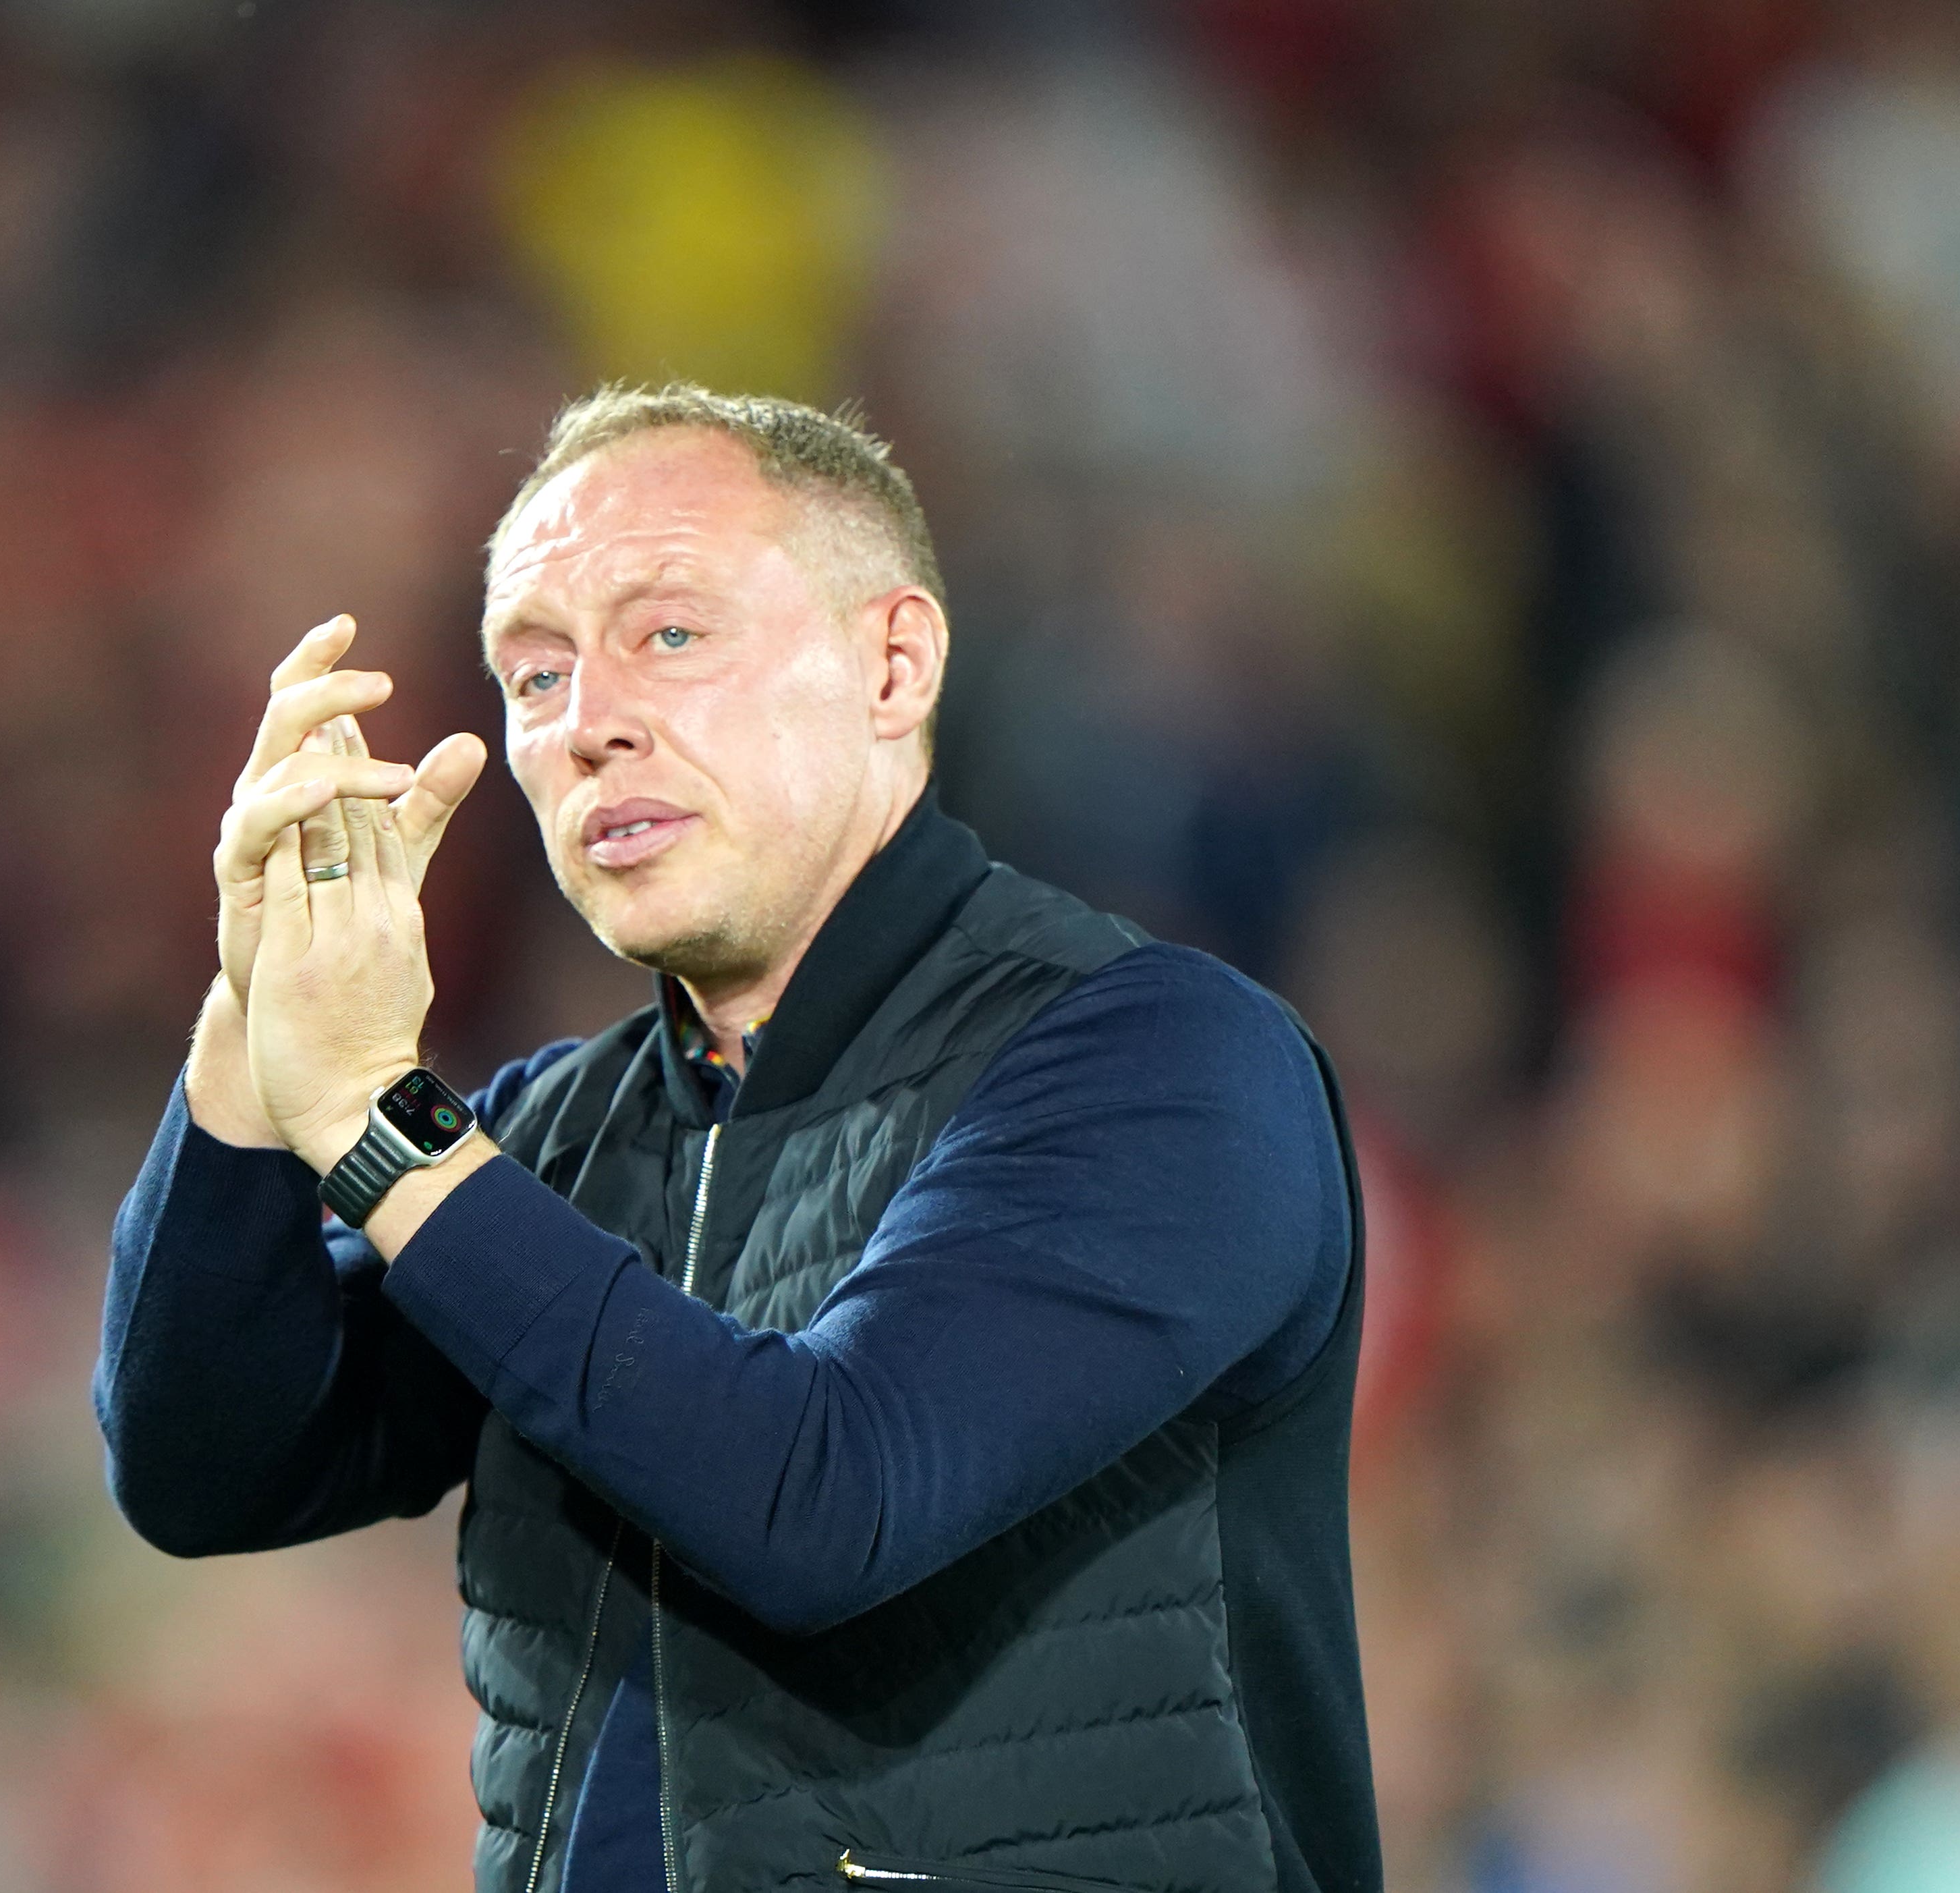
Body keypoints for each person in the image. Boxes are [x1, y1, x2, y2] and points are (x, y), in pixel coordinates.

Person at [94, 385, 1380, 1893]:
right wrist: (257, 1017)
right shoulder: (550, 1135)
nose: (588, 724)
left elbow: (823, 1498)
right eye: (534, 671)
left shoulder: (1157, 1060)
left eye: (671, 633)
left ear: (893, 662)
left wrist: (384, 1125)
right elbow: (205, 1470)